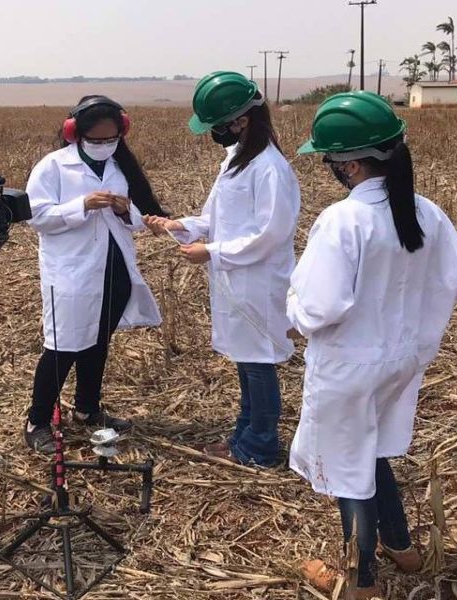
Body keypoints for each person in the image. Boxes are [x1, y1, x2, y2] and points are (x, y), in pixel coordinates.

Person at [286, 92, 457, 598]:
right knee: (373, 450)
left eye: (330, 159)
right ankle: (402, 547)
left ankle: (359, 579)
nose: (329, 168)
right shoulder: (428, 213)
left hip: (349, 366)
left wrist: (292, 315)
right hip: (404, 360)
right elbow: (451, 283)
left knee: (348, 470)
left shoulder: (344, 220)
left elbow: (320, 306)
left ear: (353, 163)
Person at [145, 72, 300, 468]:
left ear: (241, 121)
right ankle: (243, 437)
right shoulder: (236, 161)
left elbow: (271, 234)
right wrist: (179, 226)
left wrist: (212, 252)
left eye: (217, 126)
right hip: (237, 279)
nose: (214, 134)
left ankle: (260, 446)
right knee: (247, 362)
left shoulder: (269, 168)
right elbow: (216, 217)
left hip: (258, 281)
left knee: (258, 364)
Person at [23, 96, 166, 453]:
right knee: (62, 347)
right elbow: (35, 216)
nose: (105, 146)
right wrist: (81, 205)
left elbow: (139, 223)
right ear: (75, 135)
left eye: (111, 140)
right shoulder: (53, 167)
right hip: (71, 272)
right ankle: (37, 420)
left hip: (114, 269)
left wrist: (124, 209)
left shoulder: (121, 167)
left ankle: (87, 410)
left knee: (98, 343)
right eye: (97, 140)